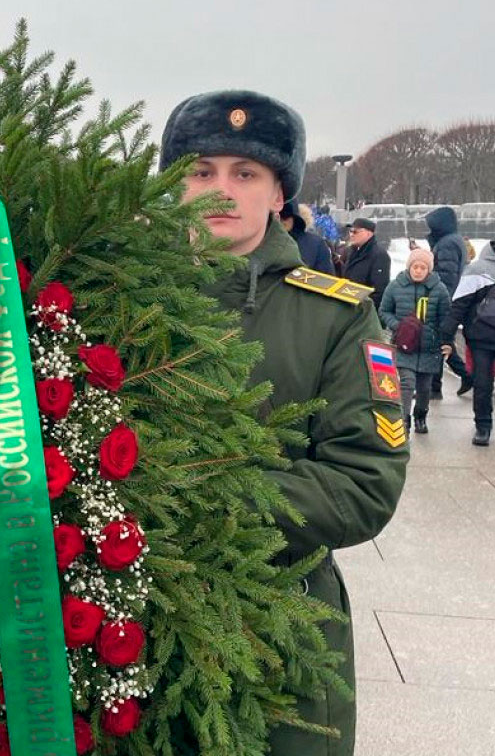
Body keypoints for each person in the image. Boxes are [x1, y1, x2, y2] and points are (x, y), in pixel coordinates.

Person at [160, 89, 407, 756]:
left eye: (245, 174)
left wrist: (195, 498)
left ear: (278, 197)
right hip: (131, 636)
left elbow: (363, 482)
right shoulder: (118, 299)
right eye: (200, 171)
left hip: (278, 640)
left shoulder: (336, 316)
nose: (221, 189)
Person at [440, 225, 495, 451]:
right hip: (481, 337)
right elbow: (459, 304)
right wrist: (446, 335)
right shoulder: (478, 269)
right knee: (482, 384)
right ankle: (483, 426)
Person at [379, 248, 450, 434]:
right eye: (415, 266)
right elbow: (384, 311)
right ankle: (403, 419)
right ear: (409, 267)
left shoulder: (439, 289)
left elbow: (446, 318)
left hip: (429, 347)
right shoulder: (396, 286)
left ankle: (421, 415)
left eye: (423, 267)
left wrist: (445, 341)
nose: (418, 270)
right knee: (406, 383)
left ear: (429, 270)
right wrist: (398, 325)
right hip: (404, 345)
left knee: (425, 387)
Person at [425, 206, 472, 397]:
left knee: (440, 341)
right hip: (448, 297)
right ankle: (437, 385)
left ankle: (462, 377)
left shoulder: (447, 244)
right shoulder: (451, 240)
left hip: (444, 299)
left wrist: (437, 298)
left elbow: (446, 276)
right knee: (442, 341)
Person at [342, 218, 391, 305]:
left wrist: (362, 306)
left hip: (363, 309)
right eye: (350, 231)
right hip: (348, 304)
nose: (352, 235)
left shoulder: (379, 255)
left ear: (368, 233)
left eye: (355, 232)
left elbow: (379, 290)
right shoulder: (351, 251)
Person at [280, 200, 333, 273]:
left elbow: (326, 280)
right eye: (276, 215)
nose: (280, 220)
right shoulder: (261, 240)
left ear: (295, 218)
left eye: (285, 216)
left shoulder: (315, 244)